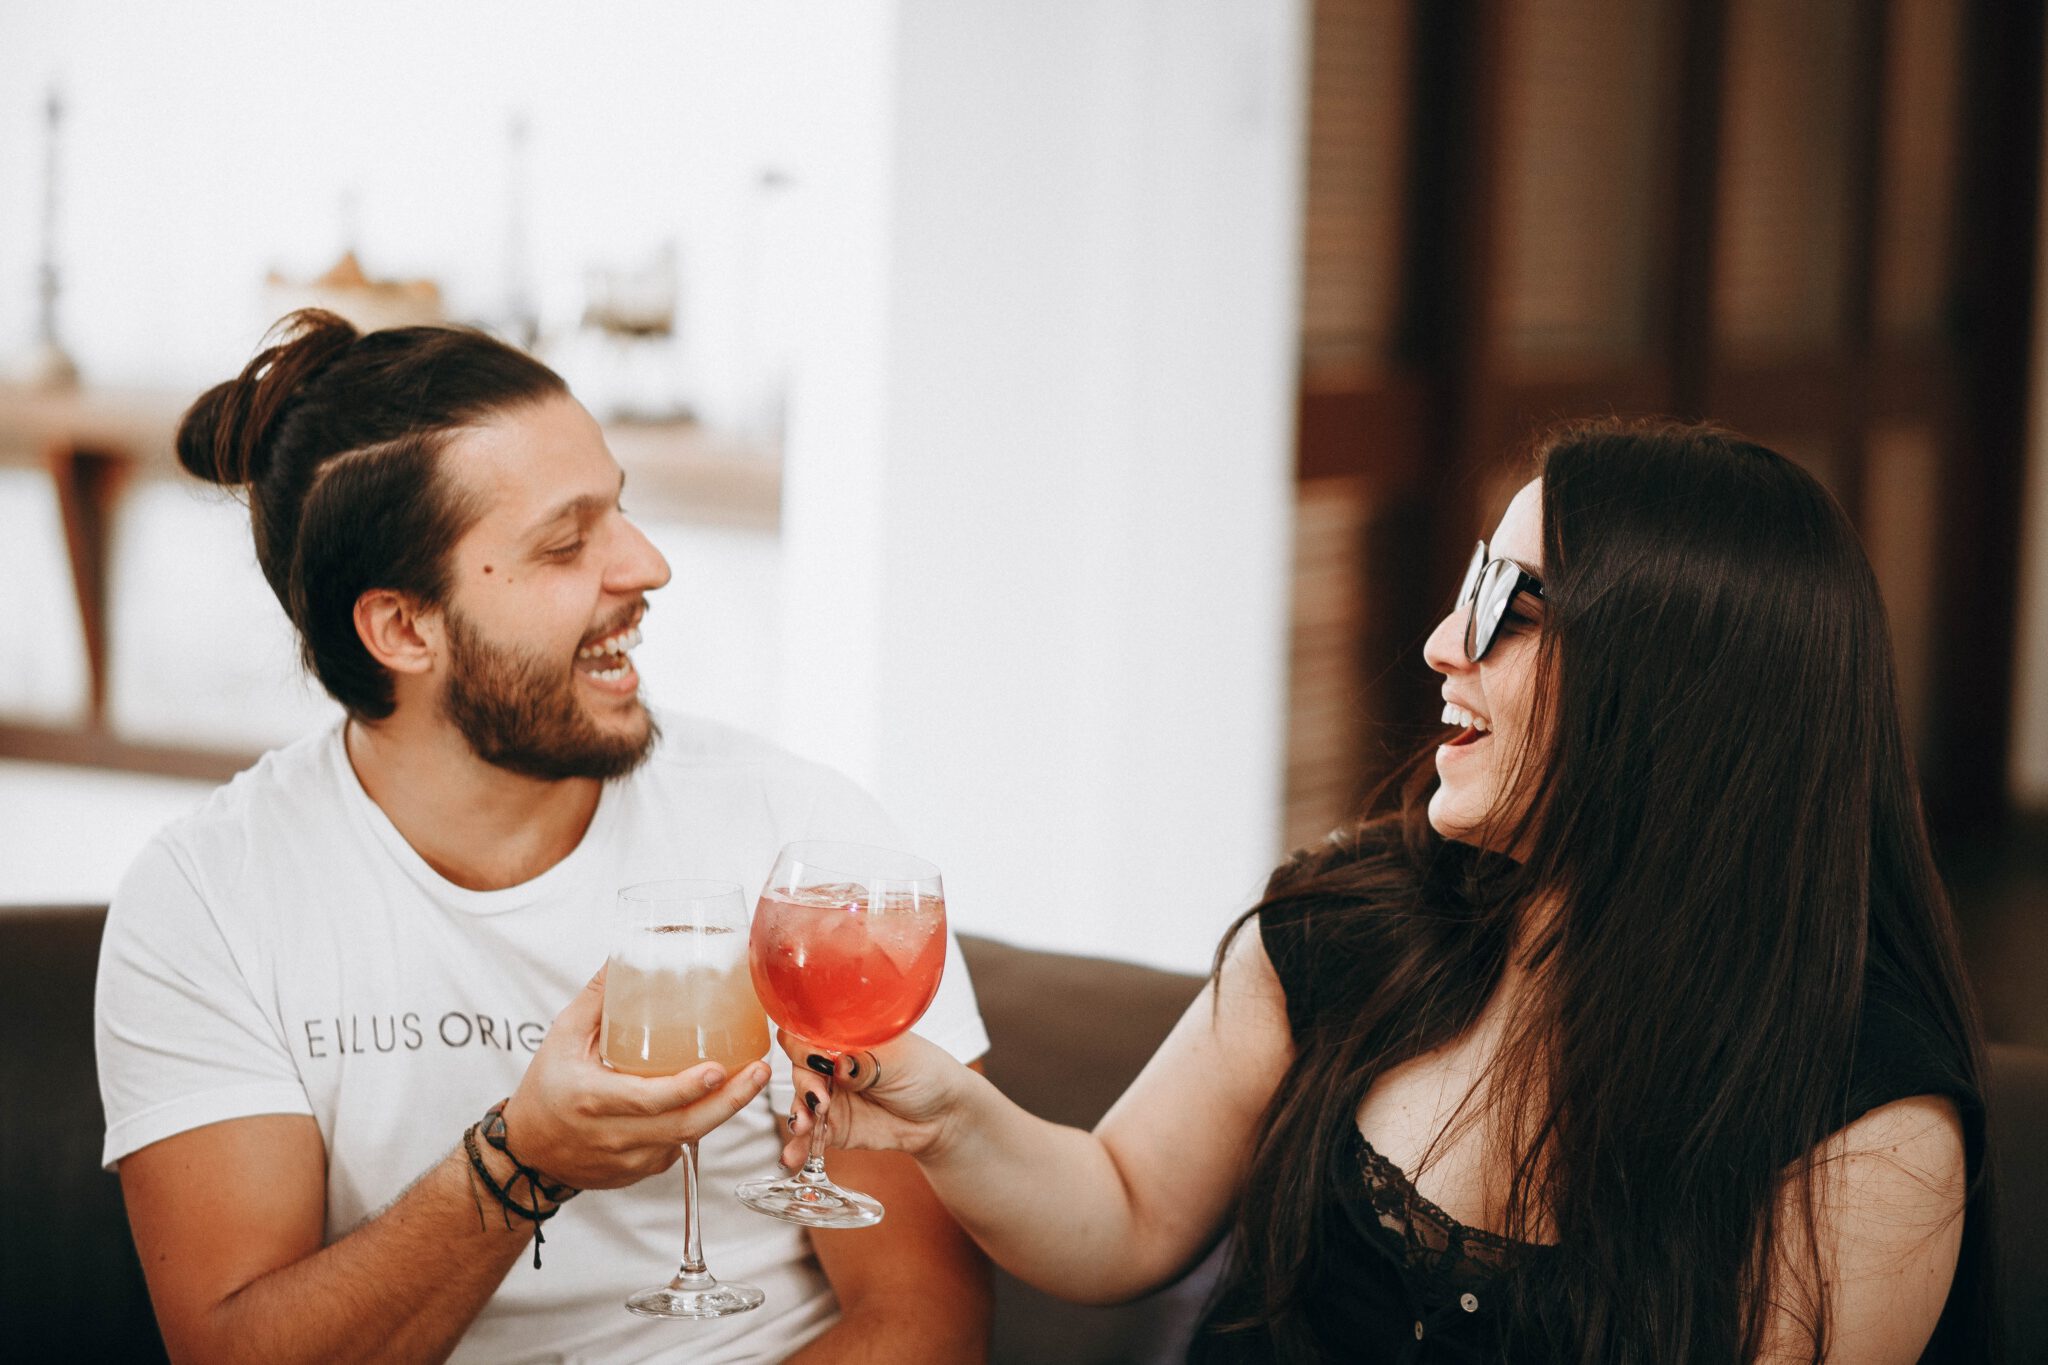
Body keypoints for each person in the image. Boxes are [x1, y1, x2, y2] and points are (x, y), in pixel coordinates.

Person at [777, 420, 1994, 1363]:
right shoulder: (1346, 923)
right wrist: (942, 1118)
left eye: (1507, 608)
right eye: (1471, 586)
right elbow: (1123, 1210)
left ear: (1674, 687)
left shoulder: (1863, 1122)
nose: (1441, 646)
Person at [93, 310, 994, 1364]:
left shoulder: (792, 839)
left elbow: (925, 1325)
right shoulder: (210, 901)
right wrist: (519, 1163)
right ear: (402, 629)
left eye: (621, 512)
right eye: (567, 543)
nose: (647, 566)